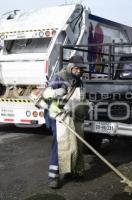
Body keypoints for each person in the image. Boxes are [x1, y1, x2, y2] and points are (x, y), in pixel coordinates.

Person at [42, 55, 88, 189]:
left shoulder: (78, 80)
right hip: (57, 117)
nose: (80, 71)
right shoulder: (58, 77)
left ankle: (71, 170)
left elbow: (80, 98)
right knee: (60, 144)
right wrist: (56, 92)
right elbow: (45, 94)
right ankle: (53, 177)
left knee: (74, 143)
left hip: (71, 115)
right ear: (71, 67)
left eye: (81, 69)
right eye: (78, 68)